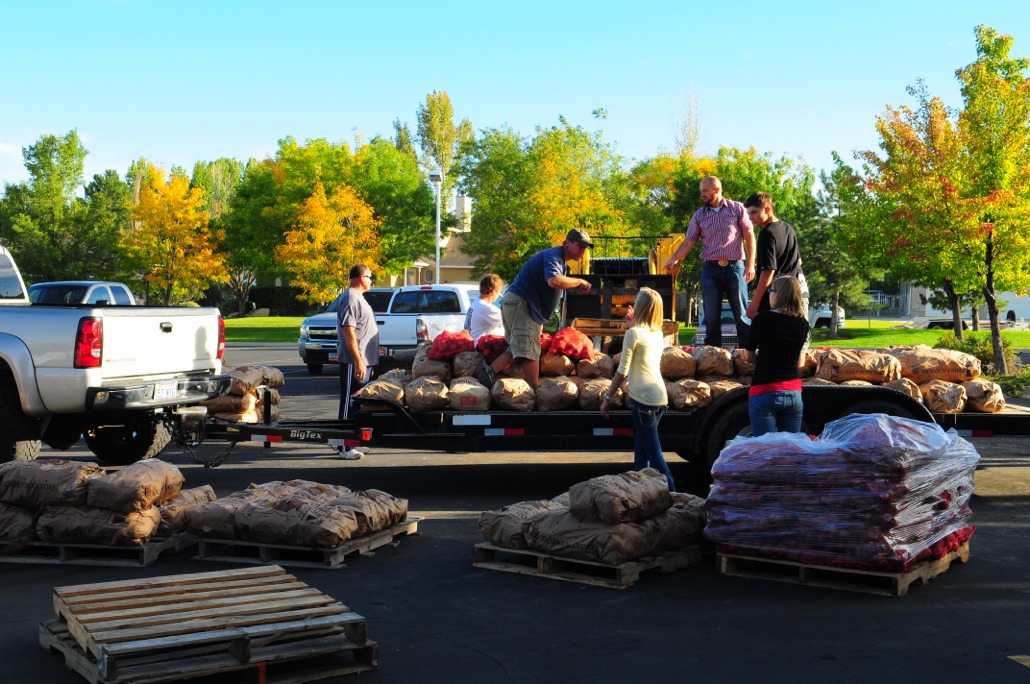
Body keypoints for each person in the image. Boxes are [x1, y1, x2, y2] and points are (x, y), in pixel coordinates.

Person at [478, 228, 594, 390]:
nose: (583, 250)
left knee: (518, 349)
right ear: (567, 243)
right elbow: (554, 281)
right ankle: (536, 391)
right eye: (580, 245)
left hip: (524, 307)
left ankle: (486, 374)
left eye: (585, 247)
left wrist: (539, 320)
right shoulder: (553, 256)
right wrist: (580, 282)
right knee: (530, 351)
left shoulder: (560, 262)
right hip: (522, 304)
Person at [662, 175, 755, 348]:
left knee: (741, 314)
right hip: (710, 270)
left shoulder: (737, 209)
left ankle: (746, 353)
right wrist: (673, 258)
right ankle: (712, 355)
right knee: (711, 315)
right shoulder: (699, 215)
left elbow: (749, 235)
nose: (702, 195)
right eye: (701, 191)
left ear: (717, 190)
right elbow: (689, 241)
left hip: (735, 267)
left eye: (705, 191)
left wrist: (751, 264)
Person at [599, 288, 675, 491]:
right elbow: (642, 339)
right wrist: (633, 324)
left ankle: (676, 496)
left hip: (642, 400)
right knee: (641, 449)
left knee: (654, 454)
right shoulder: (657, 333)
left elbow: (622, 372)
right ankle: (639, 491)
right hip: (659, 397)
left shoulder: (633, 334)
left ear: (640, 307)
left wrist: (607, 398)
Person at [740, 275, 810, 437]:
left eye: (771, 290)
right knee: (790, 448)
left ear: (778, 294)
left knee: (766, 448)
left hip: (765, 389)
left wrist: (763, 360)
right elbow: (796, 356)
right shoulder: (802, 324)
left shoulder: (763, 319)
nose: (769, 294)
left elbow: (749, 356)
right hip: (793, 391)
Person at [742, 192, 808, 319]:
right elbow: (799, 261)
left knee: (772, 337)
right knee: (799, 337)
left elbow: (768, 270)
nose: (750, 217)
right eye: (748, 213)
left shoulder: (767, 233)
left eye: (754, 212)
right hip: (798, 293)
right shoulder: (788, 228)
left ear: (767, 209)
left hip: (778, 298)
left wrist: (755, 303)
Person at [336, 264, 380, 452]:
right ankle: (342, 444)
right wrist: (358, 360)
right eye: (370, 277)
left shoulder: (359, 298)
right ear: (362, 278)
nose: (371, 280)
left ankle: (353, 442)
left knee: (358, 403)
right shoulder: (350, 298)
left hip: (364, 360)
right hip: (353, 360)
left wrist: (368, 360)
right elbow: (349, 331)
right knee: (348, 401)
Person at [464, 274, 504, 342]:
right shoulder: (487, 308)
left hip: (471, 345)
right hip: (481, 348)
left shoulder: (474, 304)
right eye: (499, 292)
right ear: (493, 292)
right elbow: (510, 324)